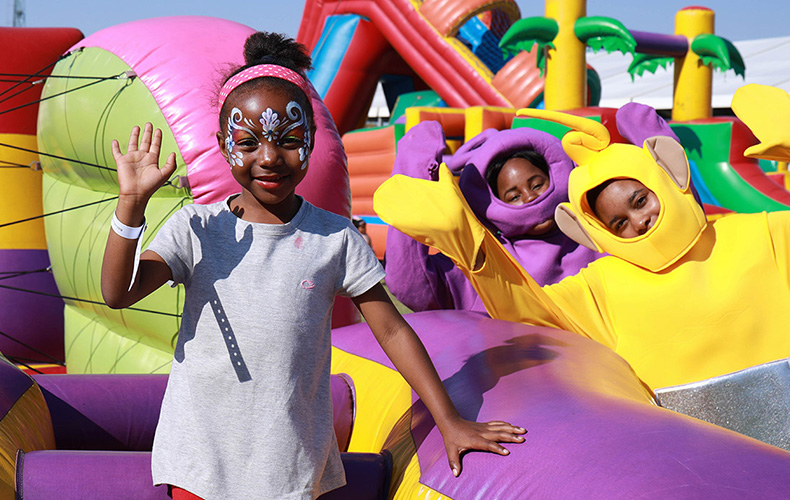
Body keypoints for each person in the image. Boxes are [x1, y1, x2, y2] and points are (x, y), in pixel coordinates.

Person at [373, 84, 790, 473]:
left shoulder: (768, 240)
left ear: (665, 177)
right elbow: (525, 313)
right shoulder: (605, 285)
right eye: (617, 223)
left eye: (640, 200)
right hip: (688, 479)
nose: (638, 223)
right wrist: (472, 246)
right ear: (596, 233)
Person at [100, 32, 525, 500]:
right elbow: (118, 293)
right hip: (201, 462)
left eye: (288, 140)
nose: (268, 157)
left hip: (291, 464)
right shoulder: (197, 228)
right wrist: (131, 205)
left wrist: (450, 421)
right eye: (248, 142)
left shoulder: (334, 237)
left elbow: (392, 331)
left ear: (311, 140)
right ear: (223, 144)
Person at [384, 123, 600, 312]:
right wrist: (415, 169)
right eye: (514, 196)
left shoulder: (595, 233)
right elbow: (409, 284)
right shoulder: (487, 260)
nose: (530, 198)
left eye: (537, 185)